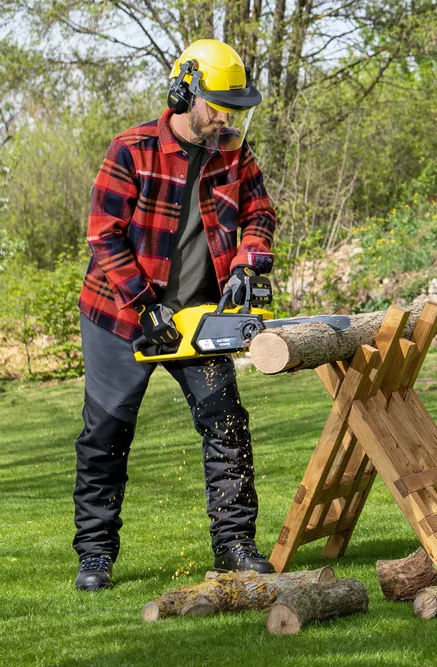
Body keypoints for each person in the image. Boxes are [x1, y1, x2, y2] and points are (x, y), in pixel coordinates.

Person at [71, 38, 278, 591]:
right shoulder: (131, 149)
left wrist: (245, 266)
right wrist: (143, 303)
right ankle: (95, 556)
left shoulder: (234, 153)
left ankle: (234, 543)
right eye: (217, 106)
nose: (226, 119)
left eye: (235, 108)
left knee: (226, 423)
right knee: (107, 433)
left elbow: (259, 212)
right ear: (185, 91)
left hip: (197, 315)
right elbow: (103, 235)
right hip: (120, 314)